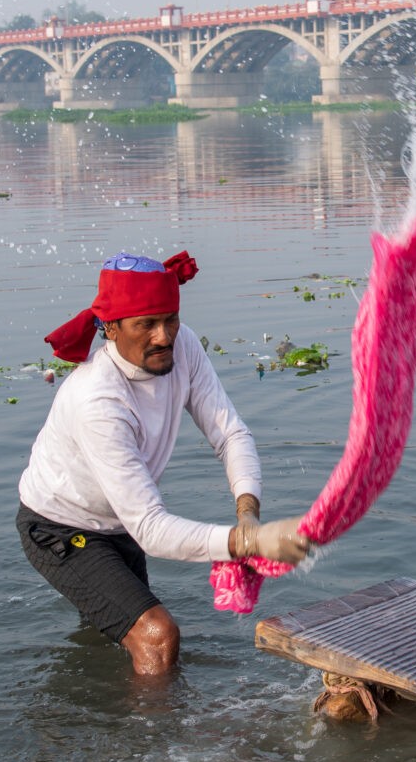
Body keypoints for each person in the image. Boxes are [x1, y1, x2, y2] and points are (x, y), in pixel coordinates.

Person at [17, 250, 310, 676]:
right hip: (62, 528)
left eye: (169, 319)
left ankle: (111, 727)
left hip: (120, 521)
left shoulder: (184, 346)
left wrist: (248, 514)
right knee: (157, 634)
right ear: (111, 329)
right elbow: (152, 530)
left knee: (113, 632)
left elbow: (231, 434)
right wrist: (246, 543)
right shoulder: (98, 400)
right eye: (146, 325)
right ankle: (160, 740)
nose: (164, 336)